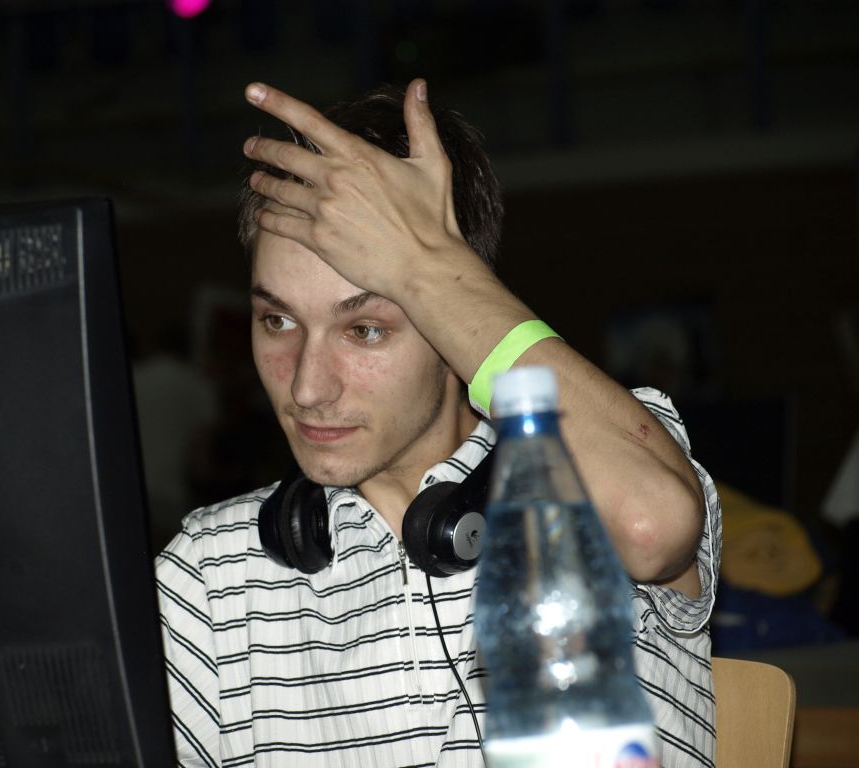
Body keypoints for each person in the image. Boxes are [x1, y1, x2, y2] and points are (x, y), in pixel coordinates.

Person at [155, 78, 722, 768]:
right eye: (277, 320)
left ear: (451, 321)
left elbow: (648, 527)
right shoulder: (211, 573)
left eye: (364, 329)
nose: (306, 386)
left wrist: (422, 266)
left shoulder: (604, 465)